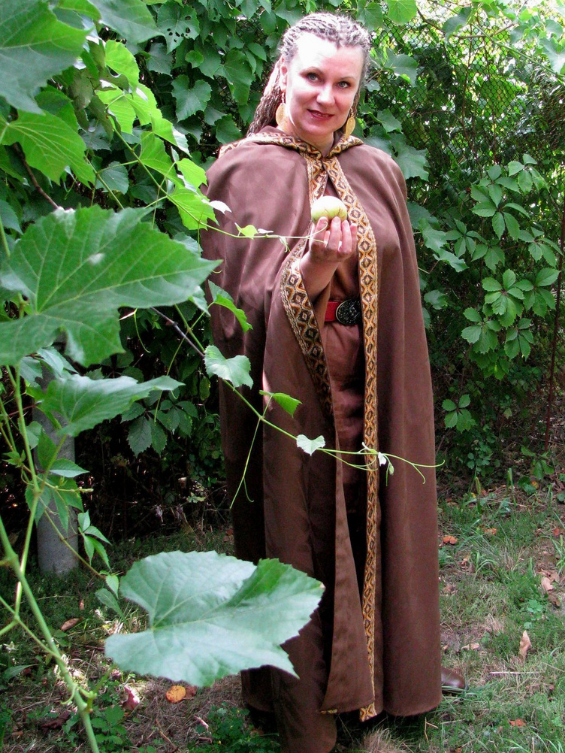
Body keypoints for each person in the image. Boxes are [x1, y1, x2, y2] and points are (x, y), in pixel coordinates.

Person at [201, 12, 464, 753]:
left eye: (342, 83)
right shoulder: (240, 170)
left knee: (375, 514)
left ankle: (382, 681)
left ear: (357, 89)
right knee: (302, 522)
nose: (325, 96)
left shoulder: (376, 169)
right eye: (312, 76)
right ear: (282, 73)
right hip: (292, 394)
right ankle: (304, 697)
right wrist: (311, 270)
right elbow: (232, 316)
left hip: (375, 383)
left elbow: (398, 293)